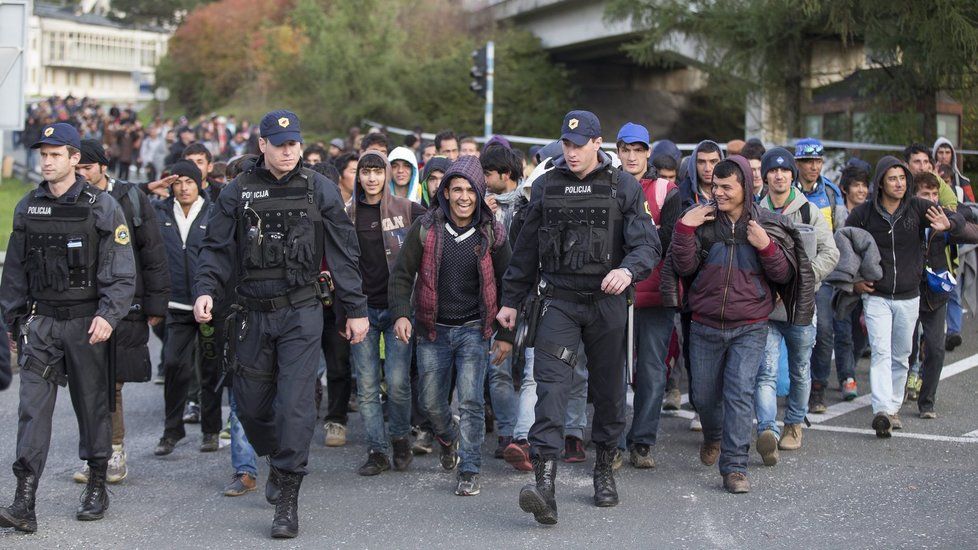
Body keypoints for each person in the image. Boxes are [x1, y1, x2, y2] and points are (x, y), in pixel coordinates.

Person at [193, 110, 368, 539]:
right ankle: (275, 455)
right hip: (251, 313)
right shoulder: (237, 191)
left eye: (293, 144)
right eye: (280, 144)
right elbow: (214, 248)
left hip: (302, 310)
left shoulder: (318, 188)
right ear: (262, 145)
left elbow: (345, 251)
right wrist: (205, 289)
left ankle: (288, 495)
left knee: (294, 402)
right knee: (251, 408)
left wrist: (355, 308)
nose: (288, 151)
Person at [499, 110, 659, 523]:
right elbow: (525, 252)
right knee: (550, 386)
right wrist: (511, 301)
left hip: (606, 303)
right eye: (566, 145)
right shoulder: (547, 184)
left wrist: (627, 271)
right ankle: (545, 486)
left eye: (578, 145)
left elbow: (647, 246)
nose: (570, 153)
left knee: (607, 392)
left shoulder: (622, 185)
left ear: (597, 143)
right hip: (560, 301)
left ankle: (604, 469)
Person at [0, 123, 136, 532]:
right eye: (43, 153)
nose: (46, 160)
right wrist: (12, 319)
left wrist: (109, 315)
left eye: (56, 154)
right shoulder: (28, 206)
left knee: (93, 406)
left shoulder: (102, 205)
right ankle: (24, 500)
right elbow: (16, 269)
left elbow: (120, 269)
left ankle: (96, 483)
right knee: (31, 410)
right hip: (42, 323)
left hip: (86, 321)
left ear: (76, 159)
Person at [671, 155, 806, 493]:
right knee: (702, 396)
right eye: (715, 186)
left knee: (739, 393)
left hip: (750, 326)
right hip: (703, 324)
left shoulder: (766, 224)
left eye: (726, 187)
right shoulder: (702, 220)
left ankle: (734, 467)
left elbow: (785, 274)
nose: (718, 193)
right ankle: (714, 434)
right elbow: (683, 267)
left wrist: (767, 247)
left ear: (744, 187)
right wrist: (685, 228)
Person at [389, 155, 513, 496]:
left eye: (470, 190)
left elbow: (510, 285)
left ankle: (470, 469)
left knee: (471, 401)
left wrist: (506, 335)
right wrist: (401, 313)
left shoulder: (492, 232)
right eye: (455, 189)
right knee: (430, 402)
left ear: (479, 192)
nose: (463, 197)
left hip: (475, 329)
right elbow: (401, 275)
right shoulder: (427, 228)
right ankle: (448, 436)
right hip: (432, 330)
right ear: (444, 192)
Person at [845, 156, 971, 438]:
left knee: (901, 355)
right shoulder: (865, 213)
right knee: (880, 351)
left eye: (902, 178)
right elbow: (842, 242)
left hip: (909, 295)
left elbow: (958, 215)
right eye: (892, 178)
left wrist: (948, 224)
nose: (899, 183)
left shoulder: (918, 207)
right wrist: (853, 281)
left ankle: (893, 408)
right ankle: (882, 411)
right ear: (880, 183)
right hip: (876, 295)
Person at [71, 140, 170, 485]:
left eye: (87, 167)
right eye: (77, 167)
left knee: (111, 381)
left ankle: (112, 449)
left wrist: (156, 303)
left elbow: (152, 250)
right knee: (87, 383)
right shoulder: (70, 199)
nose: (81, 174)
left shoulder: (130, 198)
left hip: (124, 301)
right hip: (80, 303)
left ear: (102, 166)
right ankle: (95, 451)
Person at [754, 148, 838, 465]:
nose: (778, 176)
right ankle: (766, 430)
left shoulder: (809, 213)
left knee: (800, 370)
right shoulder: (754, 211)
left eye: (784, 171)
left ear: (792, 175)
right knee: (766, 372)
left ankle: (793, 424)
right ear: (764, 176)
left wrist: (801, 281)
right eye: (772, 171)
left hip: (800, 308)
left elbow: (830, 255)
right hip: (765, 310)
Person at [346, 151, 426, 475]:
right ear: (359, 176)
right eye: (366, 171)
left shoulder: (406, 209)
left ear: (388, 174)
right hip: (361, 310)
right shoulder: (347, 213)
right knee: (366, 385)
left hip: (398, 310)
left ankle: (401, 439)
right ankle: (377, 451)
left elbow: (439, 222)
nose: (372, 178)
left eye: (378, 171)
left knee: (397, 382)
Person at [616, 122, 682, 469]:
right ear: (617, 152)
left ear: (647, 153)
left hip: (655, 298)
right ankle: (611, 443)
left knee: (653, 372)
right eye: (625, 149)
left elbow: (671, 246)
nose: (631, 156)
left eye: (638, 150)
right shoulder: (606, 185)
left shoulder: (665, 191)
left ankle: (641, 441)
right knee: (611, 371)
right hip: (613, 296)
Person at [152, 160, 225, 457]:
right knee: (173, 366)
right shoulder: (158, 212)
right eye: (178, 182)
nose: (184, 188)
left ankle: (210, 430)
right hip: (175, 305)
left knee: (210, 369)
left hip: (208, 305)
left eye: (190, 182)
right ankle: (172, 431)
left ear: (200, 184)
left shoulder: (214, 212)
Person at [909, 172, 978, 418]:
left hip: (936, 293)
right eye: (925, 194)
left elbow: (971, 231)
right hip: (906, 291)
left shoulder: (944, 217)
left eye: (934, 194)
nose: (931, 199)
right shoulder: (907, 217)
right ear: (914, 195)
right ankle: (902, 389)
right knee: (906, 347)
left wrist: (953, 223)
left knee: (936, 349)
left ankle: (927, 403)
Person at [792, 138, 847, 414]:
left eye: (817, 161)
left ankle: (818, 389)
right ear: (797, 163)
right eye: (807, 161)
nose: (813, 167)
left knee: (824, 331)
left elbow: (842, 235)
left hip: (824, 276)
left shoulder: (833, 193)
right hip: (789, 275)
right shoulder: (786, 190)